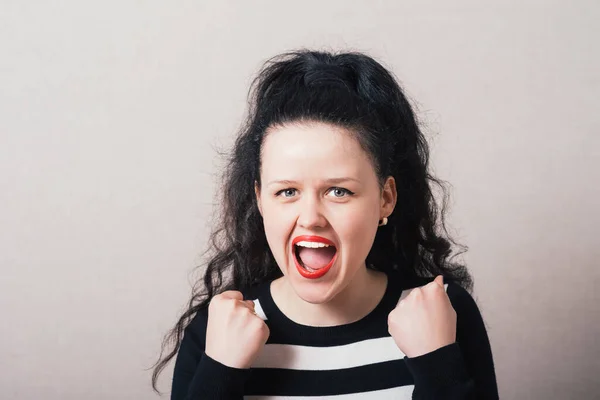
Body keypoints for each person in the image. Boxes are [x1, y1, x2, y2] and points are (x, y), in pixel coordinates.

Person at [151, 49, 499, 399]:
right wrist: (220, 372)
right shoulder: (217, 333)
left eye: (338, 191)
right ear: (260, 200)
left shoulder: (443, 315)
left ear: (385, 198)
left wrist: (436, 365)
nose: (311, 218)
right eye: (287, 191)